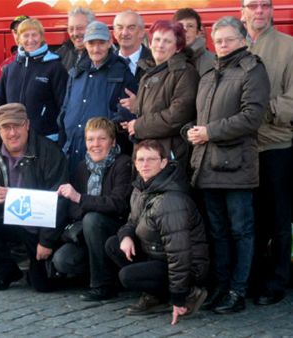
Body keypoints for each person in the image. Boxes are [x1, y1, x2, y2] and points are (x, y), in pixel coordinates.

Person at [185, 16, 269, 314]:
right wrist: (193, 132)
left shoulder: (253, 69)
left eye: (228, 40)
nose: (222, 45)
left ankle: (238, 290)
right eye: (218, 40)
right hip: (208, 166)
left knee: (241, 231)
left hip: (236, 167)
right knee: (218, 232)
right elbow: (201, 118)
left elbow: (252, 117)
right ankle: (221, 287)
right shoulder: (208, 74)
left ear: (243, 40)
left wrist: (210, 132)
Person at [0, 103, 68, 292]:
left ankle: (41, 269)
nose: (12, 133)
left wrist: (46, 241)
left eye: (17, 126)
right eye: (6, 127)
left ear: (27, 125)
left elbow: (60, 200)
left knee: (42, 286)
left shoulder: (49, 152)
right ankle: (4, 272)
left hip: (38, 227)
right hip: (6, 218)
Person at [105, 139, 209, 325]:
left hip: (187, 267)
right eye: (140, 159)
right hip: (157, 253)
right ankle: (156, 296)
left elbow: (180, 255)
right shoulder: (141, 188)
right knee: (114, 245)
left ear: (163, 162)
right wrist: (126, 236)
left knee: (127, 276)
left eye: (151, 159)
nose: (145, 164)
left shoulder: (171, 200)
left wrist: (179, 296)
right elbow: (131, 221)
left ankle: (189, 293)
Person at [241, 0, 293, 306]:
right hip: (241, 149)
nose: (259, 11)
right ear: (243, 11)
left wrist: (261, 111)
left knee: (278, 219)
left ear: (272, 11)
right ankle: (253, 277)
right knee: (251, 220)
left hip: (276, 146)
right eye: (253, 5)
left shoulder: (288, 46)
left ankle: (276, 282)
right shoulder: (234, 44)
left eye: (265, 5)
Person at [52, 117, 132, 301]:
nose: (95, 144)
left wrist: (82, 200)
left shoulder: (123, 163)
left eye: (101, 139)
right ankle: (101, 274)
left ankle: (103, 285)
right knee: (62, 260)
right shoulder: (82, 167)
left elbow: (118, 204)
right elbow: (72, 208)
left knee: (93, 219)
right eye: (90, 139)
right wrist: (83, 204)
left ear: (112, 142)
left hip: (117, 230)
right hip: (87, 232)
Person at [120, 20, 199, 170]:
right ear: (150, 43)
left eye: (167, 41)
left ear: (178, 47)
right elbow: (150, 110)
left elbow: (176, 118)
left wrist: (138, 125)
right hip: (147, 155)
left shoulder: (185, 73)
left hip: (168, 156)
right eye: (157, 39)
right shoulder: (148, 73)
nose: (160, 45)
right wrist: (130, 122)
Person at [61, 20, 138, 174]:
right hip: (72, 152)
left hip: (103, 158)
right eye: (91, 43)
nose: (96, 49)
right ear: (85, 44)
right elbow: (65, 110)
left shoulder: (122, 73)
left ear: (110, 42)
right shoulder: (76, 72)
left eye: (101, 43)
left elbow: (126, 115)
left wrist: (104, 134)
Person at [0, 18, 68, 141]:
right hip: (15, 140)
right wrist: (4, 122)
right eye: (25, 35)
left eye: (34, 35)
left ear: (42, 37)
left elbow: (65, 105)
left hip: (46, 139)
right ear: (19, 39)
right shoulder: (10, 69)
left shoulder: (54, 67)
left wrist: (60, 134)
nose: (30, 40)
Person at [173, 8, 215, 77]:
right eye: (180, 25)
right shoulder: (165, 57)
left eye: (190, 26)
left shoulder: (213, 61)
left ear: (198, 33)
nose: (185, 29)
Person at [113, 10, 152, 81]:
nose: (124, 33)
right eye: (120, 28)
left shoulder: (154, 62)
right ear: (114, 33)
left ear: (142, 32)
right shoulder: (107, 62)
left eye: (131, 28)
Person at [56, 7, 95, 71]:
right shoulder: (61, 54)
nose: (75, 33)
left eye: (80, 28)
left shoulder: (101, 54)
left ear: (92, 27)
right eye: (71, 29)